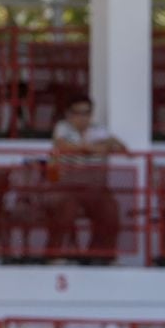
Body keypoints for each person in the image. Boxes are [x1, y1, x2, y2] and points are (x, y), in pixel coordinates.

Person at [50, 95, 128, 261]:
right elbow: (63, 145)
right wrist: (94, 148)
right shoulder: (63, 127)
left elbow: (120, 147)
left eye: (87, 112)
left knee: (111, 211)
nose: (83, 117)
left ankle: (99, 256)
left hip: (96, 188)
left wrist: (95, 147)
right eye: (78, 112)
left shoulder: (99, 129)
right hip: (69, 187)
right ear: (69, 114)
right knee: (65, 211)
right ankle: (54, 255)